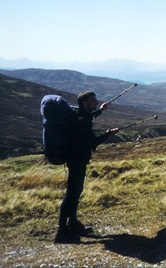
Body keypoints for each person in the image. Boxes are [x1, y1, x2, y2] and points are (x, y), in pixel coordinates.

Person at [54, 91, 119, 244]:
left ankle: (72, 223)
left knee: (75, 191)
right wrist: (108, 134)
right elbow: (92, 142)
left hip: (75, 158)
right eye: (93, 101)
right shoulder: (82, 120)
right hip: (78, 159)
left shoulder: (77, 114)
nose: (96, 102)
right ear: (85, 103)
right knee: (72, 193)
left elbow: (89, 116)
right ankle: (61, 231)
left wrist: (101, 110)